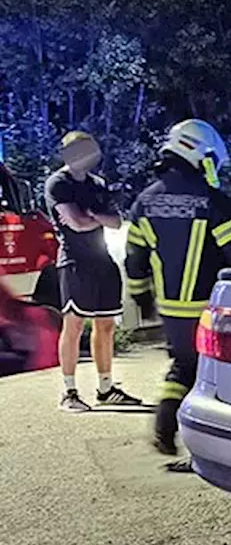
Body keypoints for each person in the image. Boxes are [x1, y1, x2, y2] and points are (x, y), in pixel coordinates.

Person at [124, 120, 231, 469]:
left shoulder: (145, 201)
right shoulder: (211, 201)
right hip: (209, 306)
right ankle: (208, 448)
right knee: (215, 375)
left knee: (183, 366)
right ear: (201, 155)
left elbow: (134, 259)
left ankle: (165, 421)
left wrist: (141, 297)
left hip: (171, 309)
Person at [44, 131, 142, 411]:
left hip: (103, 261)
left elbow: (115, 222)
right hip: (74, 262)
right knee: (73, 324)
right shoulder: (57, 184)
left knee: (106, 325)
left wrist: (93, 216)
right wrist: (92, 217)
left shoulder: (98, 184)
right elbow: (75, 223)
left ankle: (106, 388)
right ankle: (69, 392)